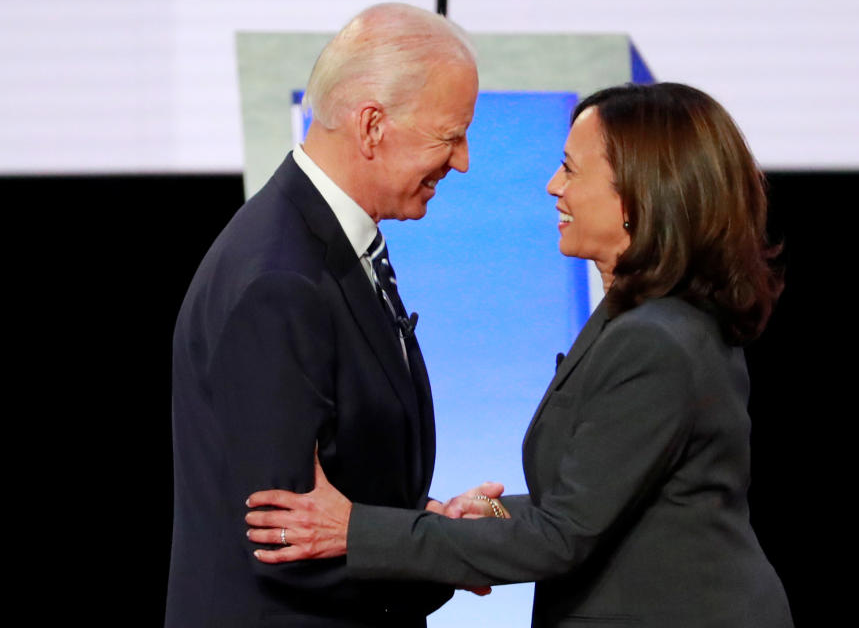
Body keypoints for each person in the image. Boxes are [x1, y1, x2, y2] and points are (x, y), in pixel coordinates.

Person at [245, 82, 794, 627]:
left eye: (572, 170)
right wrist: (489, 515)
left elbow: (563, 536)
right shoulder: (642, 318)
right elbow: (601, 500)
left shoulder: (655, 340)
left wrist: (353, 530)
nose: (555, 186)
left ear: (640, 194)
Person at [165, 3, 497, 627]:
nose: (462, 161)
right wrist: (446, 552)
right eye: (449, 136)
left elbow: (345, 492)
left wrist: (425, 522)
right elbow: (287, 544)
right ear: (372, 126)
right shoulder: (282, 279)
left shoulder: (326, 244)